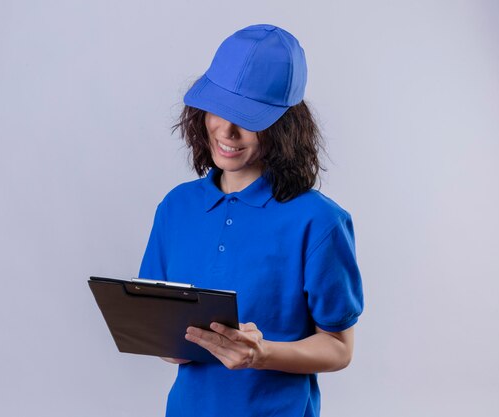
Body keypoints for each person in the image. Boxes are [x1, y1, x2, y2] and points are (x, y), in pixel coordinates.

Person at [139, 24, 364, 417]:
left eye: (248, 118)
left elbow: (340, 347)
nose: (227, 131)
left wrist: (261, 354)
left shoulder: (319, 222)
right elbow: (162, 332)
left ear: (284, 127)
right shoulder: (176, 207)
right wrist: (171, 344)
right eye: (219, 109)